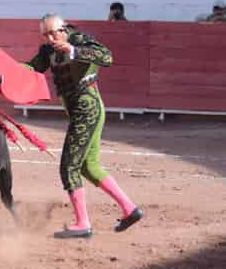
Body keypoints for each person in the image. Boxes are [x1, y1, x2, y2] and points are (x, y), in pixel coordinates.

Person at [24, 13, 143, 239]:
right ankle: (130, 209)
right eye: (45, 34)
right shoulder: (47, 51)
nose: (50, 38)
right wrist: (8, 67)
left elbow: (106, 56)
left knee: (69, 166)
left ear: (64, 28)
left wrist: (72, 50)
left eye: (53, 32)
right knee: (89, 167)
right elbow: (31, 68)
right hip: (80, 111)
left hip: (87, 110)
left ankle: (83, 223)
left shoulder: (79, 40)